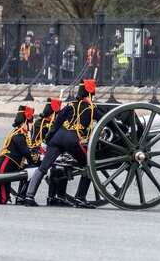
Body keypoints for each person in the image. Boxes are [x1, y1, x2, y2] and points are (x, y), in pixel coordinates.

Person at [23, 80, 104, 208]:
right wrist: (124, 127)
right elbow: (107, 120)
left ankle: (29, 196)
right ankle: (80, 198)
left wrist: (47, 141)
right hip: (71, 140)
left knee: (43, 168)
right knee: (89, 165)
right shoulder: (92, 108)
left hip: (56, 138)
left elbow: (56, 124)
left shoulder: (70, 105)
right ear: (90, 94)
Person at [24, 98, 67, 205]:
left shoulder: (37, 122)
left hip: (33, 152)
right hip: (43, 154)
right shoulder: (50, 124)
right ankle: (54, 197)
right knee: (62, 167)